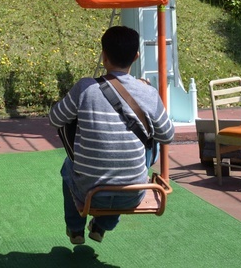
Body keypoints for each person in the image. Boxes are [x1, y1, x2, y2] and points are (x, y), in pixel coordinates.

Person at [49, 25, 174, 246]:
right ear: (136, 56)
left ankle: (76, 228)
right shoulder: (148, 92)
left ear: (104, 55)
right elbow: (167, 135)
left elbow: (55, 119)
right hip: (134, 191)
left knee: (69, 167)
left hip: (90, 191)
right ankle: (101, 226)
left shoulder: (86, 88)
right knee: (130, 158)